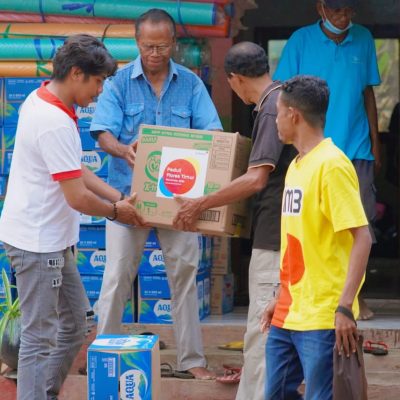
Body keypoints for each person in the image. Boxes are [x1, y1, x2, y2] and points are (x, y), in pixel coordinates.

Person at [0, 35, 146, 400]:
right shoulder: (53, 120)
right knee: (39, 336)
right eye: (97, 82)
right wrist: (117, 211)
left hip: (52, 240)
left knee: (79, 323)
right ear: (77, 73)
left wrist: (119, 196)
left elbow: (74, 169)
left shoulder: (44, 98)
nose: (99, 92)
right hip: (38, 244)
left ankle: (45, 393)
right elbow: (77, 196)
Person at [90, 9, 222, 380]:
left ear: (173, 43)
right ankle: (105, 355)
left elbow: (212, 131)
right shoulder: (117, 83)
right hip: (127, 199)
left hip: (180, 201)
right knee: (116, 276)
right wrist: (123, 149)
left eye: (162, 46)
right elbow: (102, 132)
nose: (155, 53)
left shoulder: (191, 84)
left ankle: (192, 360)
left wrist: (203, 152)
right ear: (137, 42)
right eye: (148, 46)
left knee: (184, 275)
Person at [173, 42, 297, 399]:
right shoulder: (279, 100)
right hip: (282, 229)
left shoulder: (273, 109)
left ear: (236, 79)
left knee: (262, 327)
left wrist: (201, 203)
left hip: (275, 234)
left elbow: (257, 178)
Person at [260, 75, 372, 399]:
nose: (276, 121)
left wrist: (345, 307)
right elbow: (299, 240)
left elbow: (362, 236)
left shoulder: (332, 165)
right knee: (277, 393)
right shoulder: (296, 165)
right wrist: (280, 294)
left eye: (278, 113)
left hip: (322, 315)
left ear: (293, 115)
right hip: (288, 311)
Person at [273, 0, 380, 320]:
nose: (343, 17)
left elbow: (367, 94)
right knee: (313, 226)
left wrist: (376, 141)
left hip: (356, 147)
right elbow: (283, 95)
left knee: (361, 223)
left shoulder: (363, 38)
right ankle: (315, 296)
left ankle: (353, 299)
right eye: (336, 12)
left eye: (349, 11)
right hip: (312, 150)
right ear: (321, 8)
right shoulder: (300, 41)